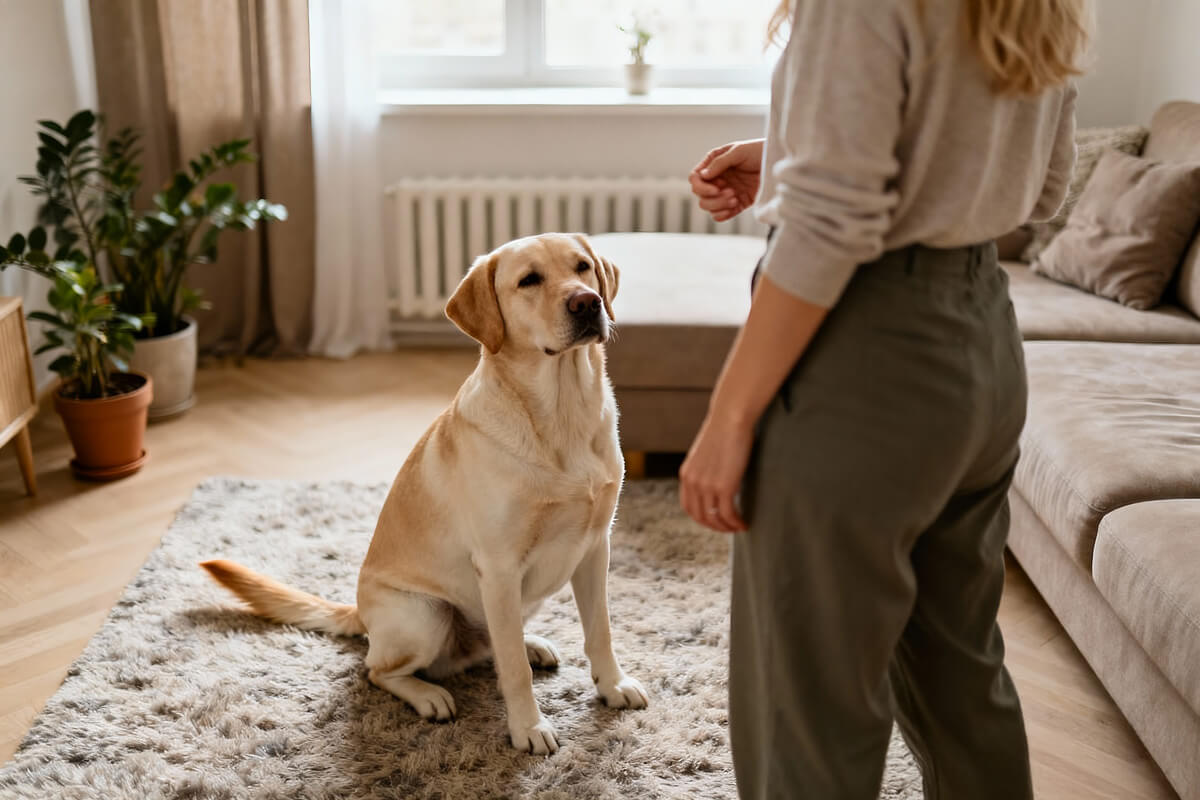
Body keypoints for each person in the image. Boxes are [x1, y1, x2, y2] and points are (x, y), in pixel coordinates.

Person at [681, 0, 1087, 798]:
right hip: (984, 344)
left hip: (864, 357)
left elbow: (830, 227)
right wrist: (798, 149)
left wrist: (728, 420)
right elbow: (1036, 191)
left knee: (810, 706)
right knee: (958, 671)